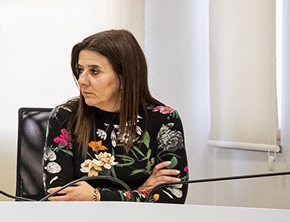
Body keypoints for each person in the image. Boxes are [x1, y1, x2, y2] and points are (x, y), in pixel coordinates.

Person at [44, 29, 187, 203]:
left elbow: (173, 196)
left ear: (124, 76)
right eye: (80, 70)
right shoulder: (65, 117)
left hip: (142, 220)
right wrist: (141, 191)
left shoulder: (164, 119)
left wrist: (97, 196)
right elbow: (59, 195)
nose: (82, 80)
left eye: (94, 71)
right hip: (80, 219)